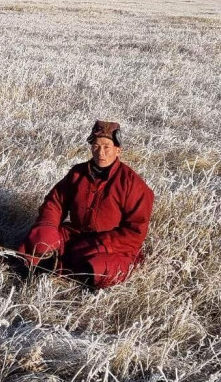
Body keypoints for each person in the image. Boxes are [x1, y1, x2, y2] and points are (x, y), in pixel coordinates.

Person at [18, 120, 154, 288]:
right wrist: (48, 227)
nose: (101, 153)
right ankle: (33, 269)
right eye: (96, 146)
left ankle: (75, 276)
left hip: (112, 246)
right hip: (75, 235)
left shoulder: (133, 184)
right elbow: (55, 203)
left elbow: (135, 231)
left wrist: (100, 245)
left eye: (107, 147)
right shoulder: (77, 173)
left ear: (118, 150)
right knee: (38, 242)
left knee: (103, 268)